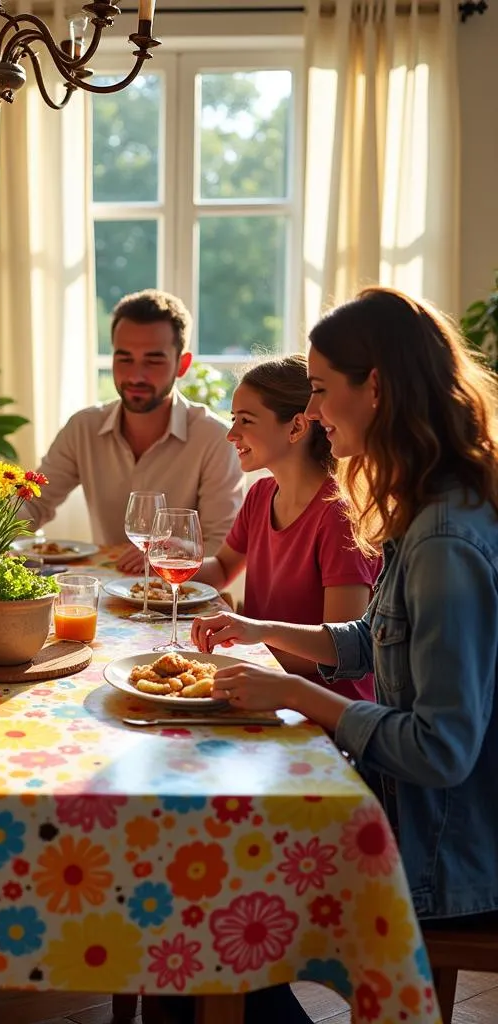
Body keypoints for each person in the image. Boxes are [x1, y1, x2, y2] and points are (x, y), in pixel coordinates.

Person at [191, 287, 498, 1021]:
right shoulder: (425, 504)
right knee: (199, 882)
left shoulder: (444, 541)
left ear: (377, 389)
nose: (316, 413)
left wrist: (295, 693)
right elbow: (374, 641)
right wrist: (263, 633)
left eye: (324, 391)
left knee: (206, 899)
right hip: (412, 814)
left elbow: (441, 750)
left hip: (442, 856)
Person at [193, 355, 380, 697]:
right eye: (233, 419)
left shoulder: (340, 516)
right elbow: (222, 568)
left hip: (323, 708)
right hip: (260, 685)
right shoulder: (261, 494)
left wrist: (250, 643)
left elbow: (340, 648)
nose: (231, 434)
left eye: (246, 421)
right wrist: (161, 564)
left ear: (296, 427)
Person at [22, 289, 244, 568]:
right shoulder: (83, 427)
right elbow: (33, 504)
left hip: (182, 600)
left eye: (153, 360)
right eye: (124, 359)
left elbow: (221, 546)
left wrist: (167, 555)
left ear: (182, 365)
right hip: (106, 594)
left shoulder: (214, 438)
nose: (136, 375)